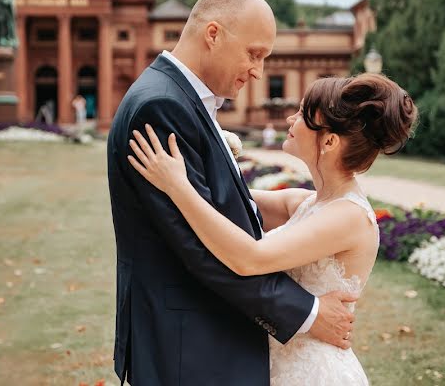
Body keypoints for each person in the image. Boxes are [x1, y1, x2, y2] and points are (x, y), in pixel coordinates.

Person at [107, 0, 357, 386]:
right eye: (254, 53)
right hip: (190, 345)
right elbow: (202, 249)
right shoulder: (163, 107)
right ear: (213, 34)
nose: (258, 70)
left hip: (198, 340)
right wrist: (308, 313)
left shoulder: (179, 98)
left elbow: (222, 210)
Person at [129, 72, 418, 384]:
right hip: (273, 361)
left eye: (303, 114)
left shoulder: (347, 217)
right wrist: (208, 151)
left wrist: (178, 188)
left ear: (330, 141)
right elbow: (228, 201)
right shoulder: (307, 202)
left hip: (313, 372)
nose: (291, 118)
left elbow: (250, 258)